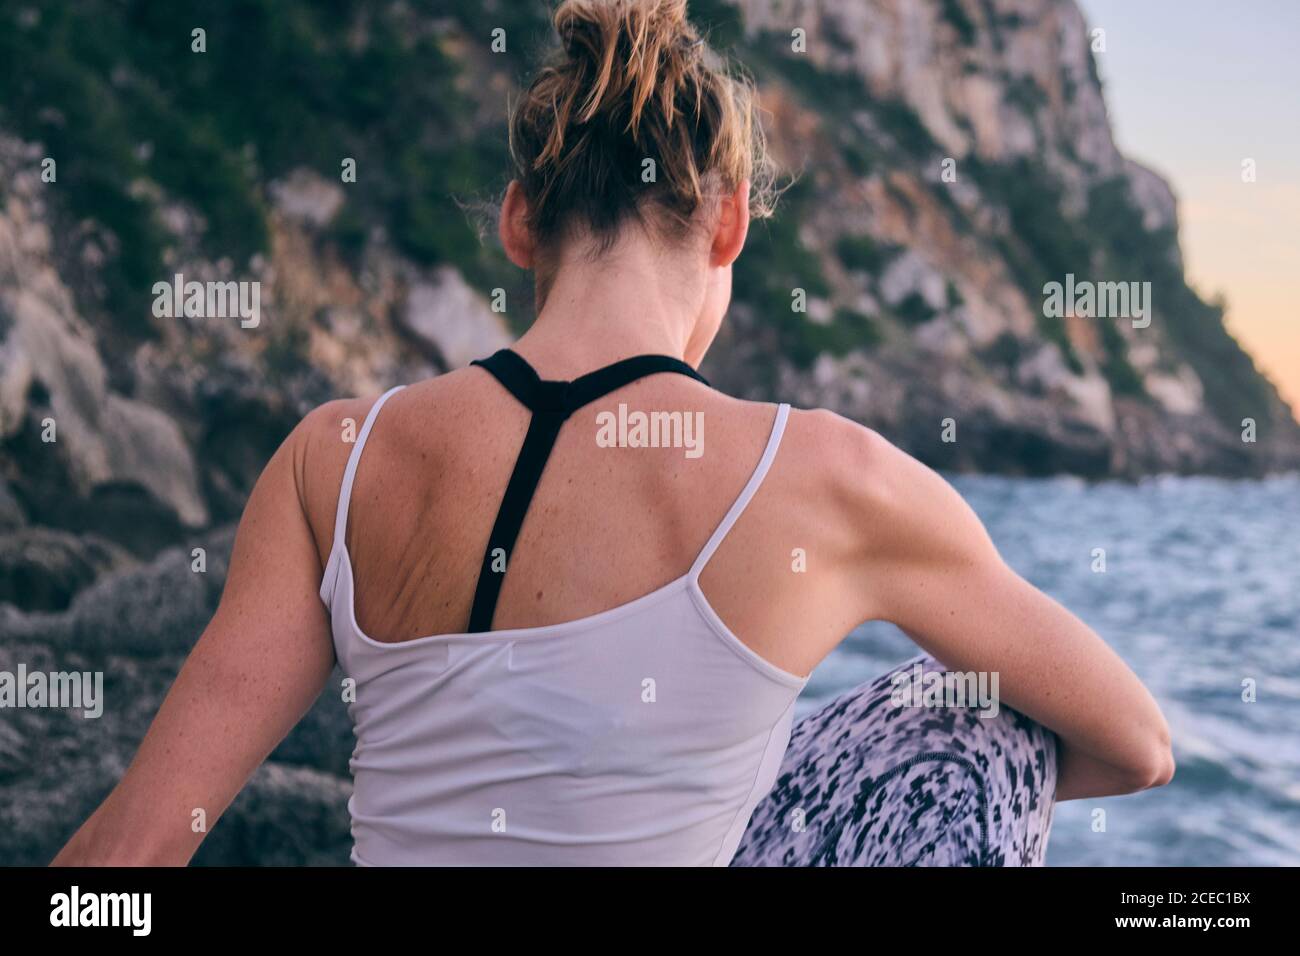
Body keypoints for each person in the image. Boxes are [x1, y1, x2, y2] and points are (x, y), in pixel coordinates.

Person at [53, 0, 1172, 867]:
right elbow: (1135, 741)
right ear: (729, 220)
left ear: (518, 219)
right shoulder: (828, 479)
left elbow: (135, 847)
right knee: (973, 718)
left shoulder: (333, 459)